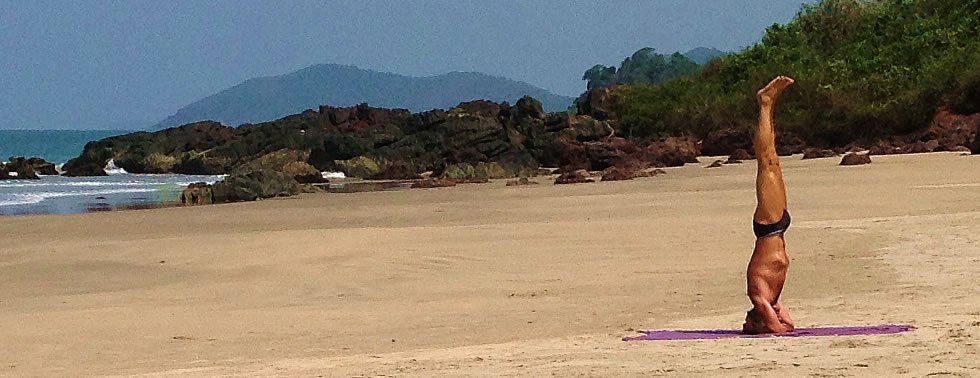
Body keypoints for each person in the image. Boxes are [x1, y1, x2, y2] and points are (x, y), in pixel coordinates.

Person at [743, 76, 796, 334]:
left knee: (767, 161)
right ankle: (768, 104)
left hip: (769, 228)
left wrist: (771, 318)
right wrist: (779, 312)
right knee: (772, 161)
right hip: (778, 228)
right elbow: (787, 326)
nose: (745, 322)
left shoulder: (757, 297)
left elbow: (778, 331)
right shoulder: (772, 302)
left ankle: (765, 103)